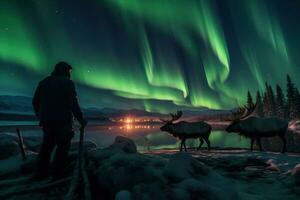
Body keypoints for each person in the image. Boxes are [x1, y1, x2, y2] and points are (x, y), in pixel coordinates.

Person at [32, 61, 87, 179]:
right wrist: (81, 120)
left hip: (47, 123)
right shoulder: (67, 83)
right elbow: (73, 104)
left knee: (46, 147)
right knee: (62, 148)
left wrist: (41, 116)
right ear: (65, 70)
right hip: (62, 123)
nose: (70, 74)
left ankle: (41, 172)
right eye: (69, 71)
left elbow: (35, 102)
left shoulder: (43, 82)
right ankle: (57, 173)